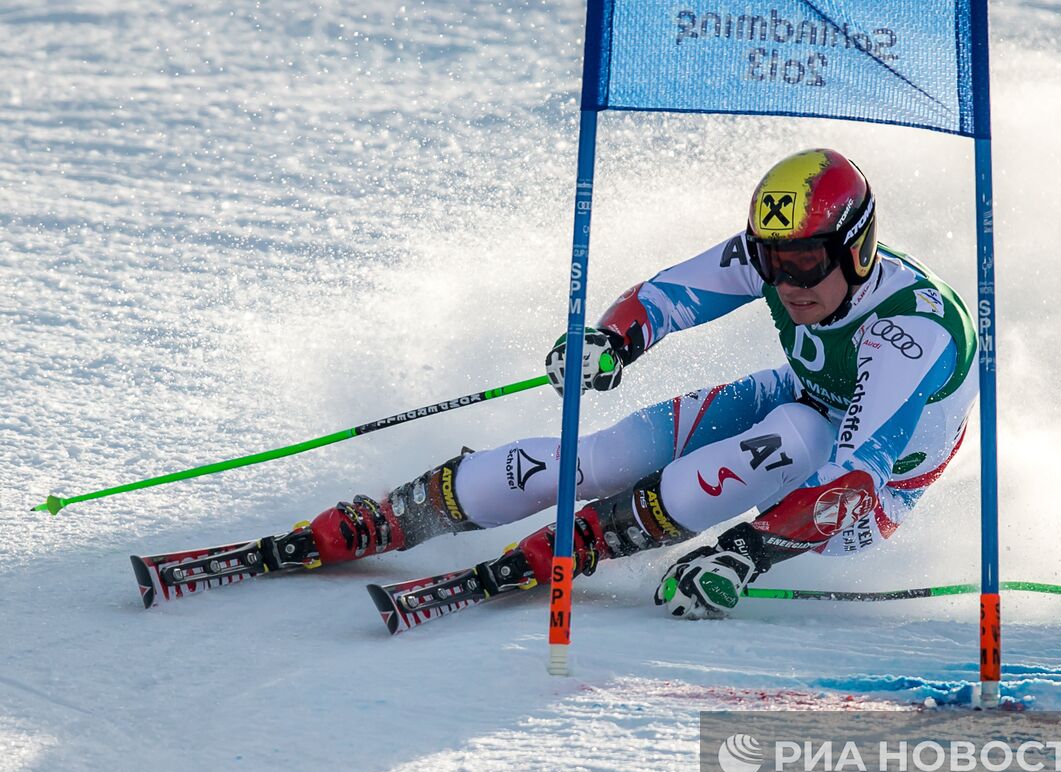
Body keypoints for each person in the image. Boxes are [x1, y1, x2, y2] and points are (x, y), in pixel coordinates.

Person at [290, 148, 977, 618]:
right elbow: (669, 295)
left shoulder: (910, 332)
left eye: (805, 264)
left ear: (857, 248)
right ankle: (401, 512)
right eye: (773, 262)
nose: (787, 282)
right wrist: (611, 341)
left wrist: (744, 553)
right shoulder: (780, 265)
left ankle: (599, 533)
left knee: (797, 435)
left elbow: (851, 480)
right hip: (798, 396)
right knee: (602, 457)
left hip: (866, 501)